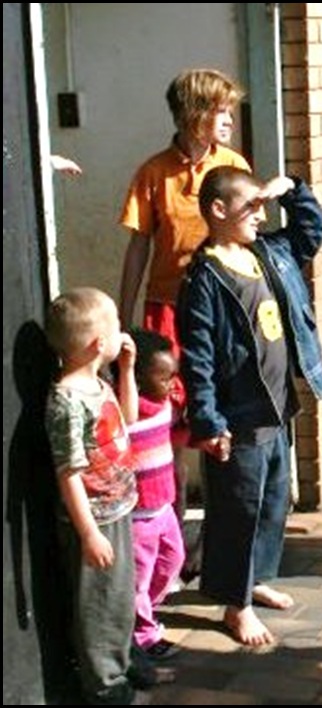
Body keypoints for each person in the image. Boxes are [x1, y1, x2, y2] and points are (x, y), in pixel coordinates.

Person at [176, 165, 322, 646]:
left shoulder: (267, 253)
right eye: (251, 206)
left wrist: (293, 191)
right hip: (237, 417)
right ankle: (234, 605)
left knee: (270, 503)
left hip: (276, 409)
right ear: (219, 210)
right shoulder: (204, 278)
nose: (260, 215)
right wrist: (208, 420)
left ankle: (255, 579)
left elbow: (313, 231)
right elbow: (197, 357)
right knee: (237, 510)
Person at [118, 67, 251, 577]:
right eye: (221, 111)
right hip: (168, 312)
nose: (229, 120)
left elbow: (248, 236)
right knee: (167, 435)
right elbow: (138, 247)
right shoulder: (154, 173)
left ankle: (218, 551)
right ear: (195, 116)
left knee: (221, 428)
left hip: (222, 312)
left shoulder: (233, 165)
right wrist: (126, 318)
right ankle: (168, 554)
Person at [43, 287, 139, 704]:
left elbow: (129, 419)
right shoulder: (66, 401)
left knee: (119, 599)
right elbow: (69, 474)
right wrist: (88, 534)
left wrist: (128, 371)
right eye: (117, 325)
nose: (123, 332)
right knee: (99, 606)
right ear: (99, 343)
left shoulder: (98, 383)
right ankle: (105, 687)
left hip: (119, 508)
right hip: (96, 520)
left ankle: (124, 662)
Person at [123, 327, 188, 660]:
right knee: (138, 578)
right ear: (136, 378)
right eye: (165, 378)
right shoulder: (125, 417)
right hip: (137, 517)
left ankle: (145, 610)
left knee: (173, 560)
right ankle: (144, 634)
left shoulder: (166, 408)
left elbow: (173, 436)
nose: (172, 385)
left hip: (164, 509)